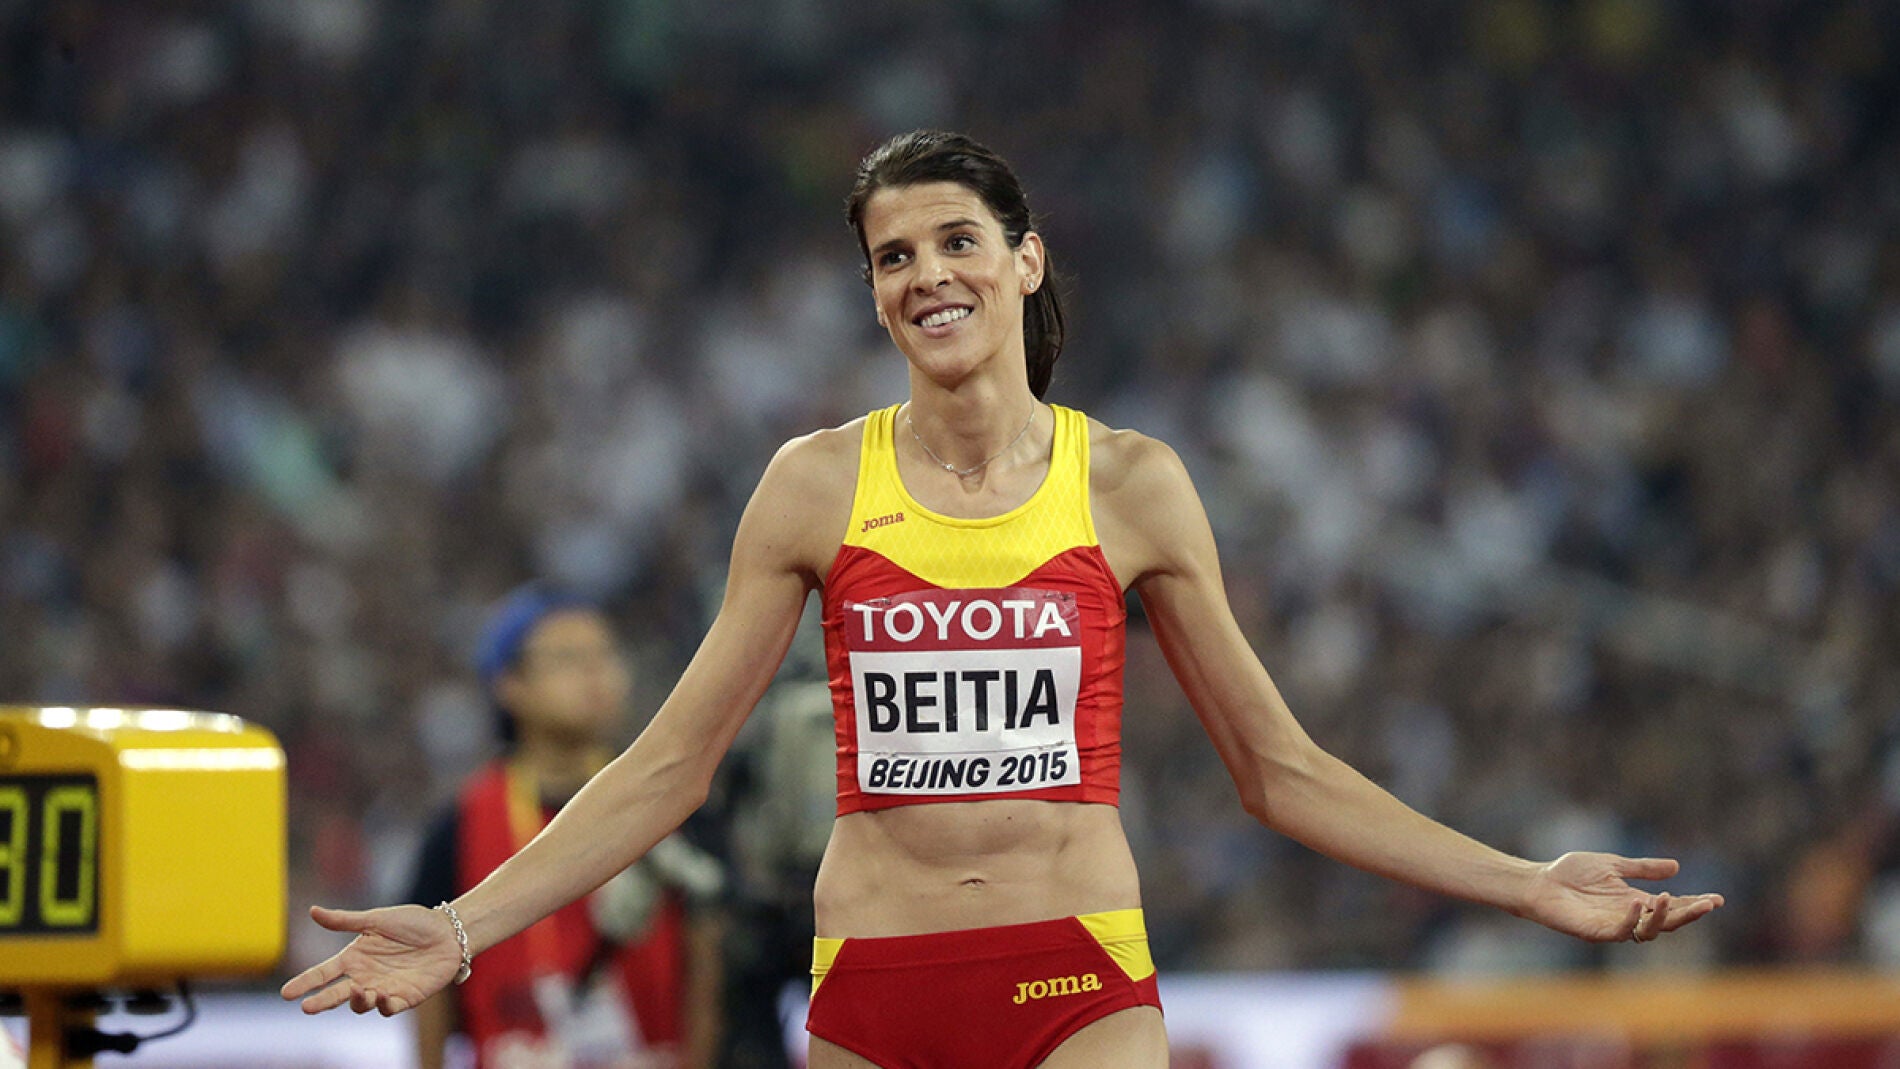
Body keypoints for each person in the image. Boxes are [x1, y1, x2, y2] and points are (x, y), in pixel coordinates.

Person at [284, 130, 1724, 1069]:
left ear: (1026, 262)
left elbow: (1281, 774)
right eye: (892, 258)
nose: (926, 276)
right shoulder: (811, 485)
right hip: (874, 988)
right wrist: (466, 925)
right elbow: (668, 768)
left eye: (956, 241)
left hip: (1074, 976)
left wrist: (1528, 883)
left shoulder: (1133, 485)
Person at [403, 585, 725, 1069]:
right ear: (509, 684)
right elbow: (427, 982)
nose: (596, 673)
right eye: (568, 659)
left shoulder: (672, 804)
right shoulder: (462, 823)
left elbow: (708, 953)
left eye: (605, 655)